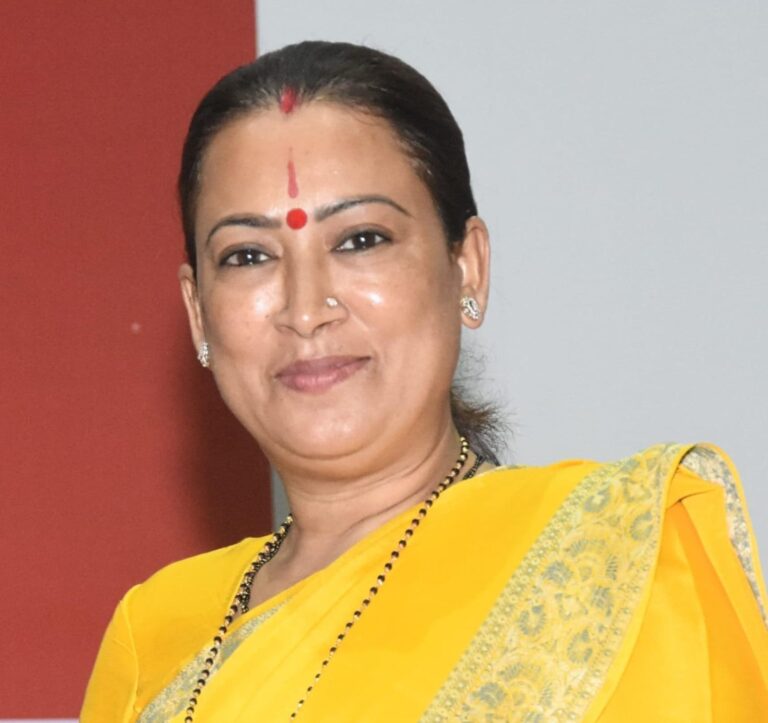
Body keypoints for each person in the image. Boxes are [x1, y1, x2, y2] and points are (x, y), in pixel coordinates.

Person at [81, 41, 767, 722]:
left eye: (360, 240)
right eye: (248, 255)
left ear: (468, 267)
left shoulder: (617, 559)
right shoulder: (159, 633)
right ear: (198, 311)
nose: (306, 309)